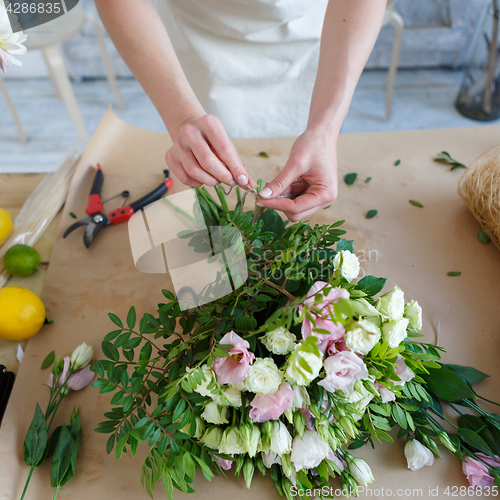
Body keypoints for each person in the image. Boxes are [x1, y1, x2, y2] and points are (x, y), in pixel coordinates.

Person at [95, 0, 387, 221]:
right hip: (196, 34)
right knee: (210, 161)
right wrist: (181, 116)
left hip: (320, 30)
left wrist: (324, 130)